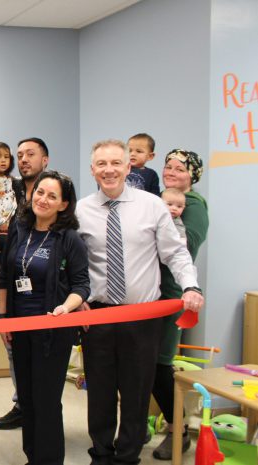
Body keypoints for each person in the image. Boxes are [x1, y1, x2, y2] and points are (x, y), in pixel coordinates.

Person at [76, 139, 204, 465]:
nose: (109, 169)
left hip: (142, 315)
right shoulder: (81, 210)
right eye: (101, 164)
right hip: (98, 314)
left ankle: (127, 456)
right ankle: (101, 454)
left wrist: (190, 286)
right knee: (101, 393)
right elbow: (74, 264)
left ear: (128, 166)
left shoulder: (152, 206)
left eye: (116, 163)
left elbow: (175, 252)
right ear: (93, 170)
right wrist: (76, 302)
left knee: (136, 393)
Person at [0, 171, 90, 465]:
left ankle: (48, 460)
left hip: (52, 331)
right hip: (19, 329)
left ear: (64, 205)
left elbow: (82, 285)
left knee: (46, 401)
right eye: (40, 192)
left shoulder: (70, 239)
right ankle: (32, 457)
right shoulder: (20, 229)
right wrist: (3, 317)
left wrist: (67, 307)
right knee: (26, 399)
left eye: (52, 196)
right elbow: (5, 276)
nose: (43, 200)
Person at [150, 149, 208, 460]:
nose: (171, 171)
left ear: (192, 175)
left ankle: (179, 430)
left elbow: (186, 246)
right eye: (167, 166)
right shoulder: (161, 198)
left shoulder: (194, 205)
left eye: (179, 168)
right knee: (143, 363)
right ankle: (149, 423)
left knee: (160, 365)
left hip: (172, 296)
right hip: (149, 294)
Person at [0, 136, 50, 431]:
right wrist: (2, 313)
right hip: (16, 297)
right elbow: (9, 259)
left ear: (45, 161)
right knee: (15, 354)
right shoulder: (17, 203)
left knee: (42, 368)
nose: (23, 159)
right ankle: (22, 404)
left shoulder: (54, 203)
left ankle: (40, 410)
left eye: (31, 154)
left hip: (48, 303)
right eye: (20, 155)